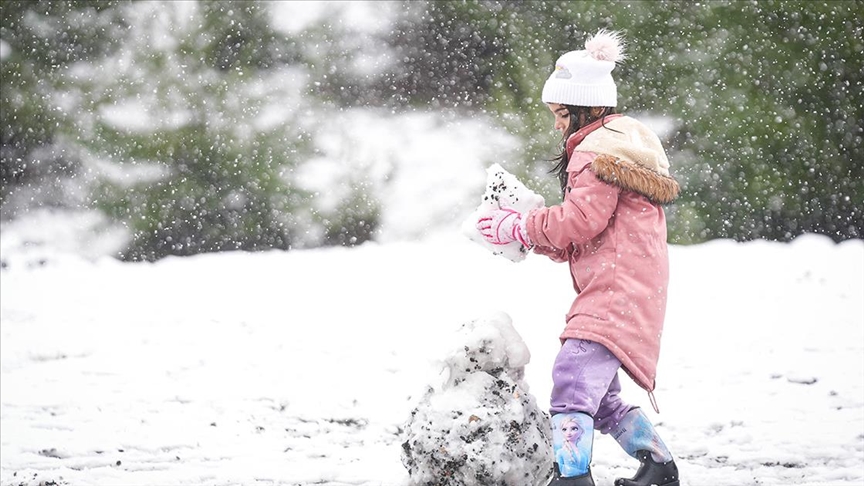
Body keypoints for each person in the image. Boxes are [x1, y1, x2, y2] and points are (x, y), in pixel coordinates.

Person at [476, 30, 681, 486]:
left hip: (617, 288)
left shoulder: (597, 153)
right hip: (625, 286)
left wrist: (518, 227)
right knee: (600, 398)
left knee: (571, 379)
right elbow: (582, 234)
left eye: (562, 113)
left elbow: (578, 222)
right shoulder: (612, 146)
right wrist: (530, 235)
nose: (557, 124)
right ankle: (659, 468)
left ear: (588, 109)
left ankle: (572, 478)